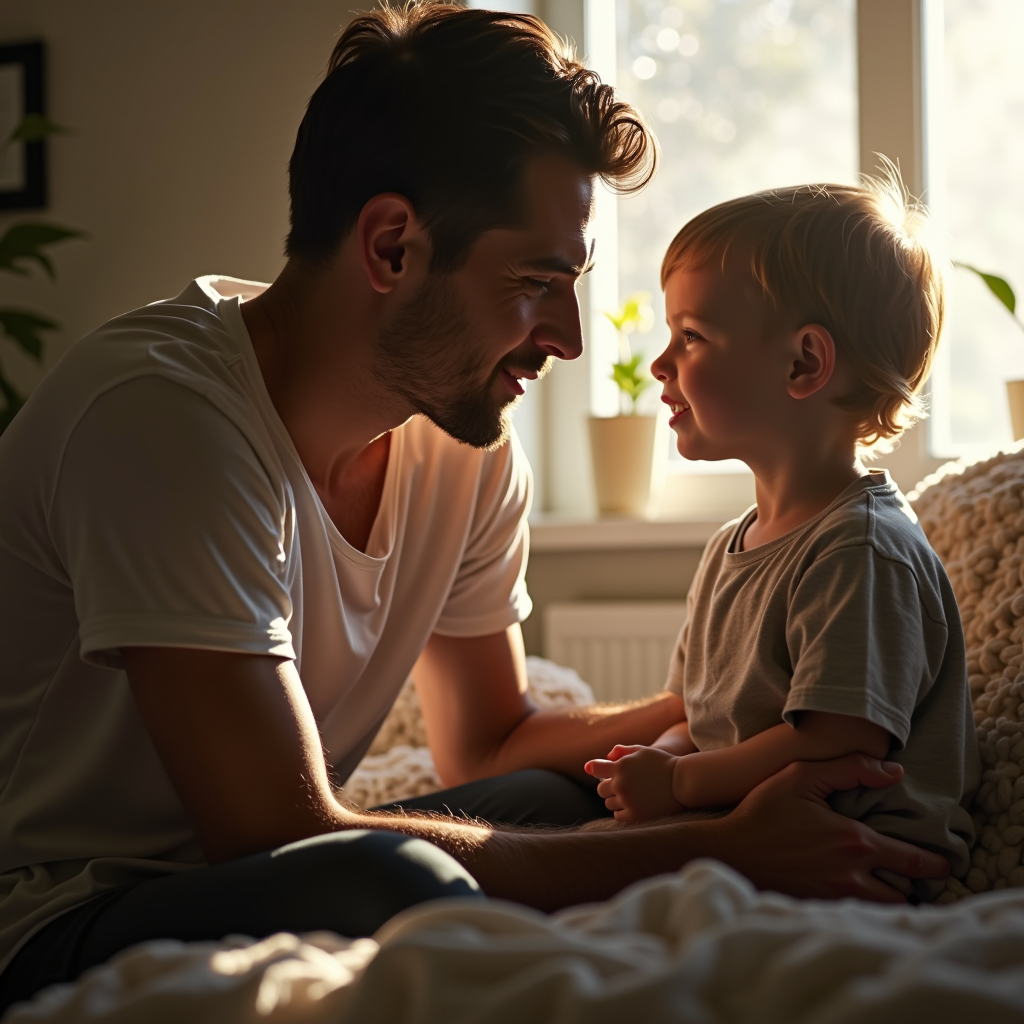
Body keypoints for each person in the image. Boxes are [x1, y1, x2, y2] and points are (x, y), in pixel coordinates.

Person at [0, 4, 951, 1013]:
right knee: (399, 879)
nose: (572, 339)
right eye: (538, 282)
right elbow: (272, 830)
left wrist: (707, 718)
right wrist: (717, 847)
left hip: (253, 867)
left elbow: (490, 745)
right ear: (392, 246)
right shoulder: (164, 417)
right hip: (61, 916)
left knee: (569, 794)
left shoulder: (462, 446)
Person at [585, 178, 981, 902]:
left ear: (804, 364)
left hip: (845, 865)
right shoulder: (729, 549)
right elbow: (703, 719)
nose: (660, 364)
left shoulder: (860, 550)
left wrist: (677, 781)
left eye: (692, 337)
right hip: (735, 840)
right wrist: (657, 757)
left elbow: (839, 741)